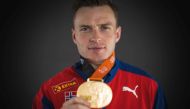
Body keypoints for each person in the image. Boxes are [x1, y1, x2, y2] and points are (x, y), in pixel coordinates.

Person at [32, 0, 167, 109]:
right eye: (85, 28)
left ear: (117, 34)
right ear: (74, 36)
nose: (96, 37)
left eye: (104, 27)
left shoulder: (148, 86)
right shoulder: (49, 90)